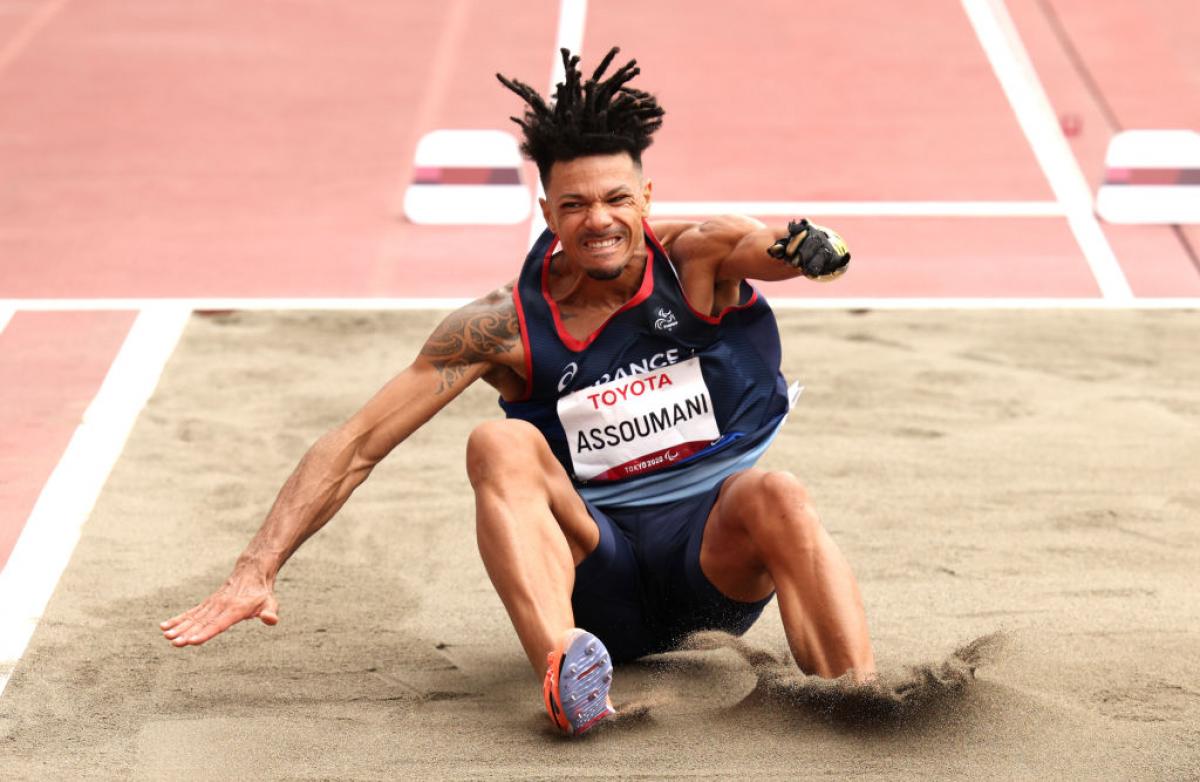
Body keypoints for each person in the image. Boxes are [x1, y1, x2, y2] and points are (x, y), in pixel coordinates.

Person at [161, 47, 875, 737]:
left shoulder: (697, 256)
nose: (599, 220)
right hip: (599, 575)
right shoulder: (499, 326)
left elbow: (770, 245)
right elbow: (355, 446)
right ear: (547, 211)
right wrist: (254, 569)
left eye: (617, 199)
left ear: (646, 198)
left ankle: (864, 701)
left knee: (778, 491)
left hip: (713, 564)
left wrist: (811, 248)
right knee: (499, 440)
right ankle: (569, 675)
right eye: (576, 203)